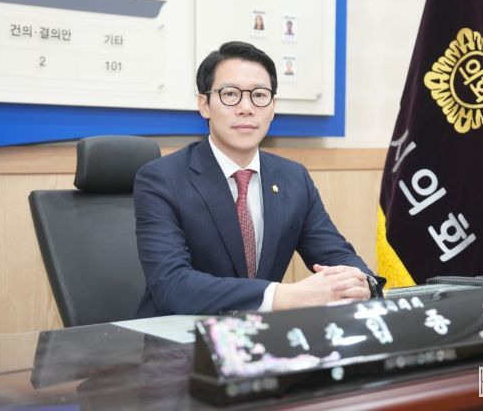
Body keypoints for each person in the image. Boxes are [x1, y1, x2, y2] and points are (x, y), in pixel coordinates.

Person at [134, 41, 384, 317]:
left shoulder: (293, 178)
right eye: (230, 94)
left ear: (273, 107)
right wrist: (283, 295)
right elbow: (172, 286)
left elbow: (334, 253)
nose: (246, 107)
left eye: (259, 95)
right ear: (204, 105)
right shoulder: (162, 179)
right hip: (179, 334)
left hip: (261, 335)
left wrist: (362, 283)